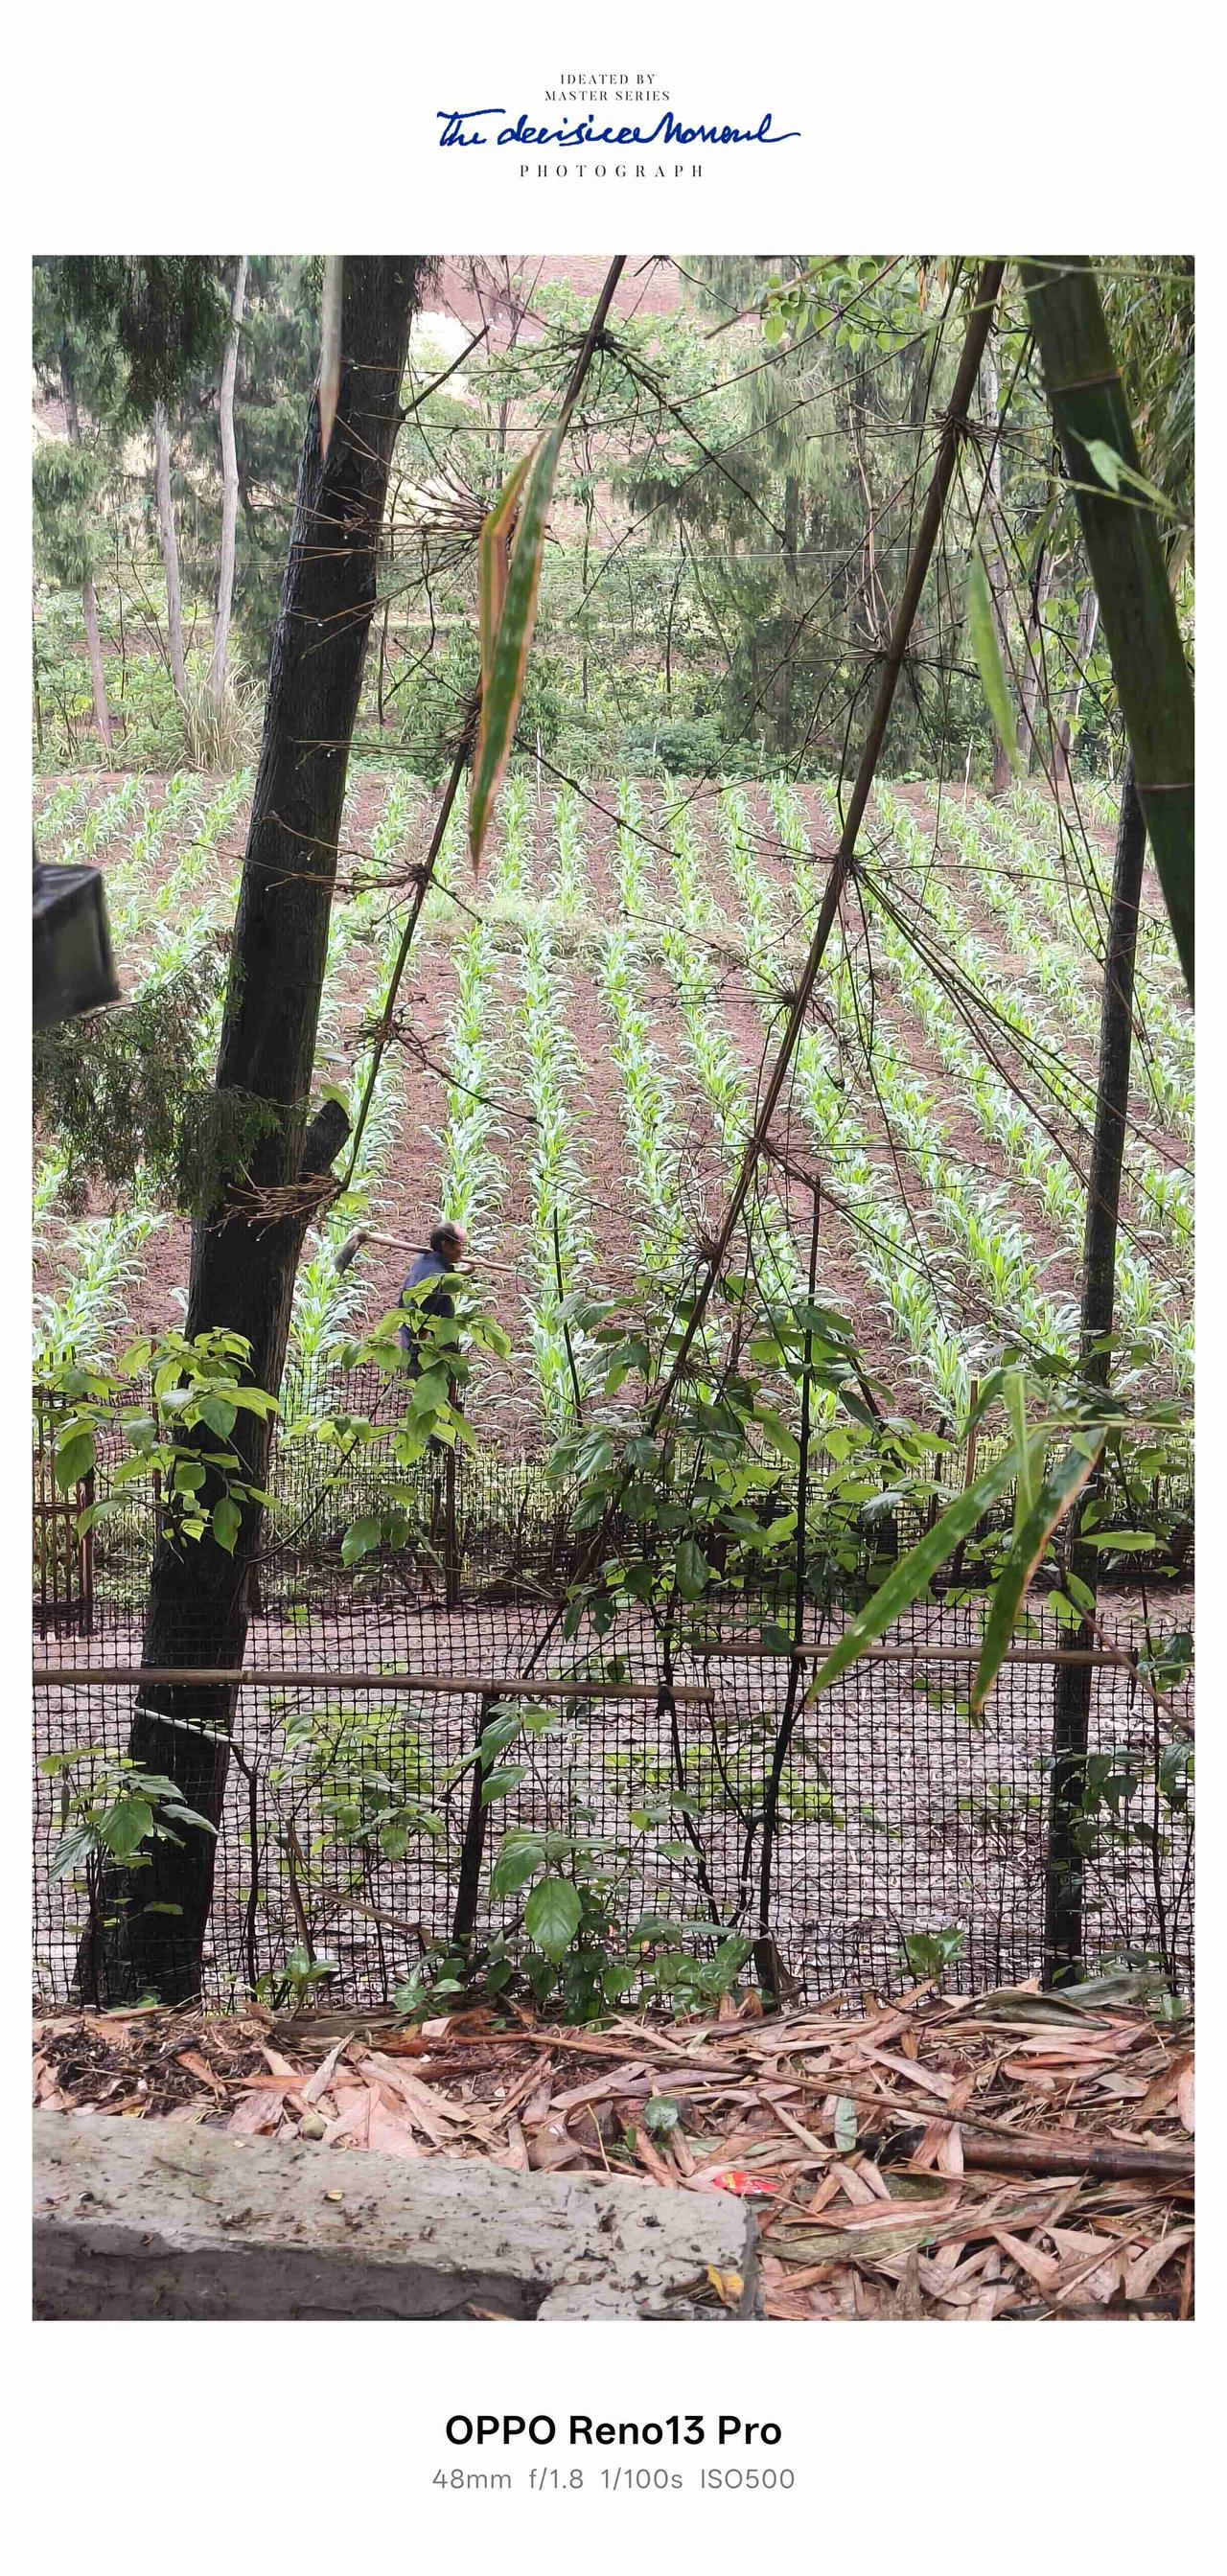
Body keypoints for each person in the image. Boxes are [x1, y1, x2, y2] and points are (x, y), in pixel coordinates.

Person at [398, 1221, 468, 1368]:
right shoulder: (436, 1279)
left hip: (413, 1344)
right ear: (446, 1246)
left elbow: (443, 1274)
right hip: (426, 1354)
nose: (462, 1250)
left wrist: (465, 1272)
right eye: (459, 1245)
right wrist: (428, 1349)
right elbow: (420, 1320)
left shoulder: (425, 1261)